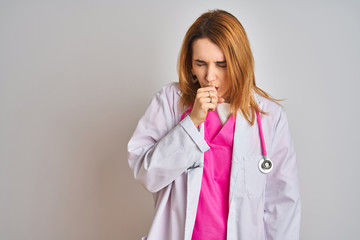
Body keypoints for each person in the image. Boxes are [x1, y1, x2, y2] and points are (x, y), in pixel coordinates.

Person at [127, 9, 300, 240]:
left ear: (239, 63)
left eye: (221, 64)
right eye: (201, 63)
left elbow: (283, 205)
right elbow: (147, 175)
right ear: (190, 64)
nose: (209, 76)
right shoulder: (170, 102)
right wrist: (192, 122)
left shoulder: (270, 117)